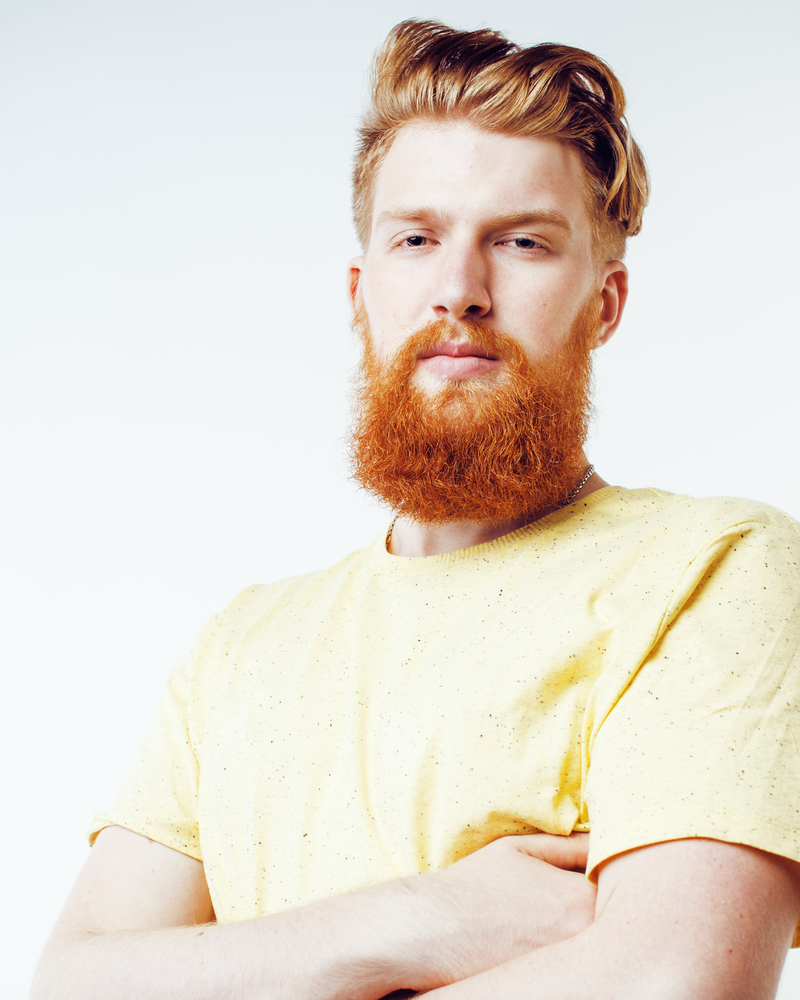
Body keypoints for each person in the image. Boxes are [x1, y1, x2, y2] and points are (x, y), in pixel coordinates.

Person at [31, 19, 800, 1000]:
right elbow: (72, 983)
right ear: (361, 293)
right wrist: (419, 920)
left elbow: (668, 980)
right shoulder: (241, 648)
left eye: (521, 242)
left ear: (604, 303)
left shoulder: (714, 568)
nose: (458, 291)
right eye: (416, 239)